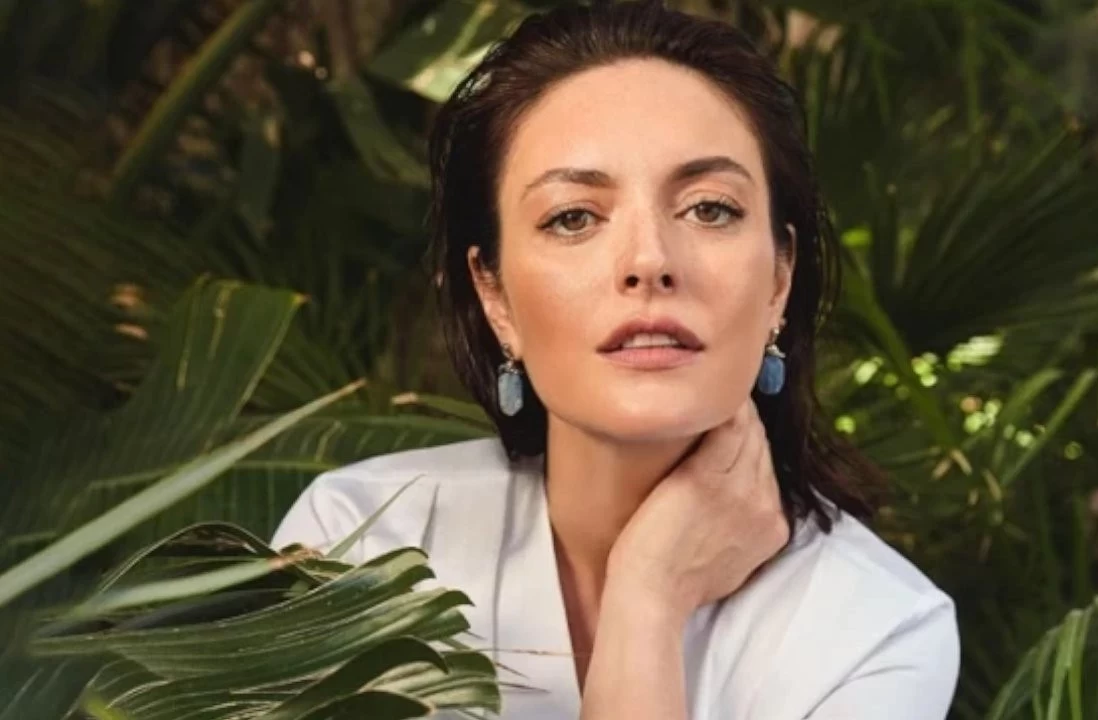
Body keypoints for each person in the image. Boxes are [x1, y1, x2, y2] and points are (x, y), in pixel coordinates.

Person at [272, 1, 959, 717]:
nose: (649, 260)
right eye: (573, 217)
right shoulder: (360, 541)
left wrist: (646, 600)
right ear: (494, 295)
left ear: (779, 280)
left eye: (710, 208)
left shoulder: (874, 630)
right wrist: (650, 590)